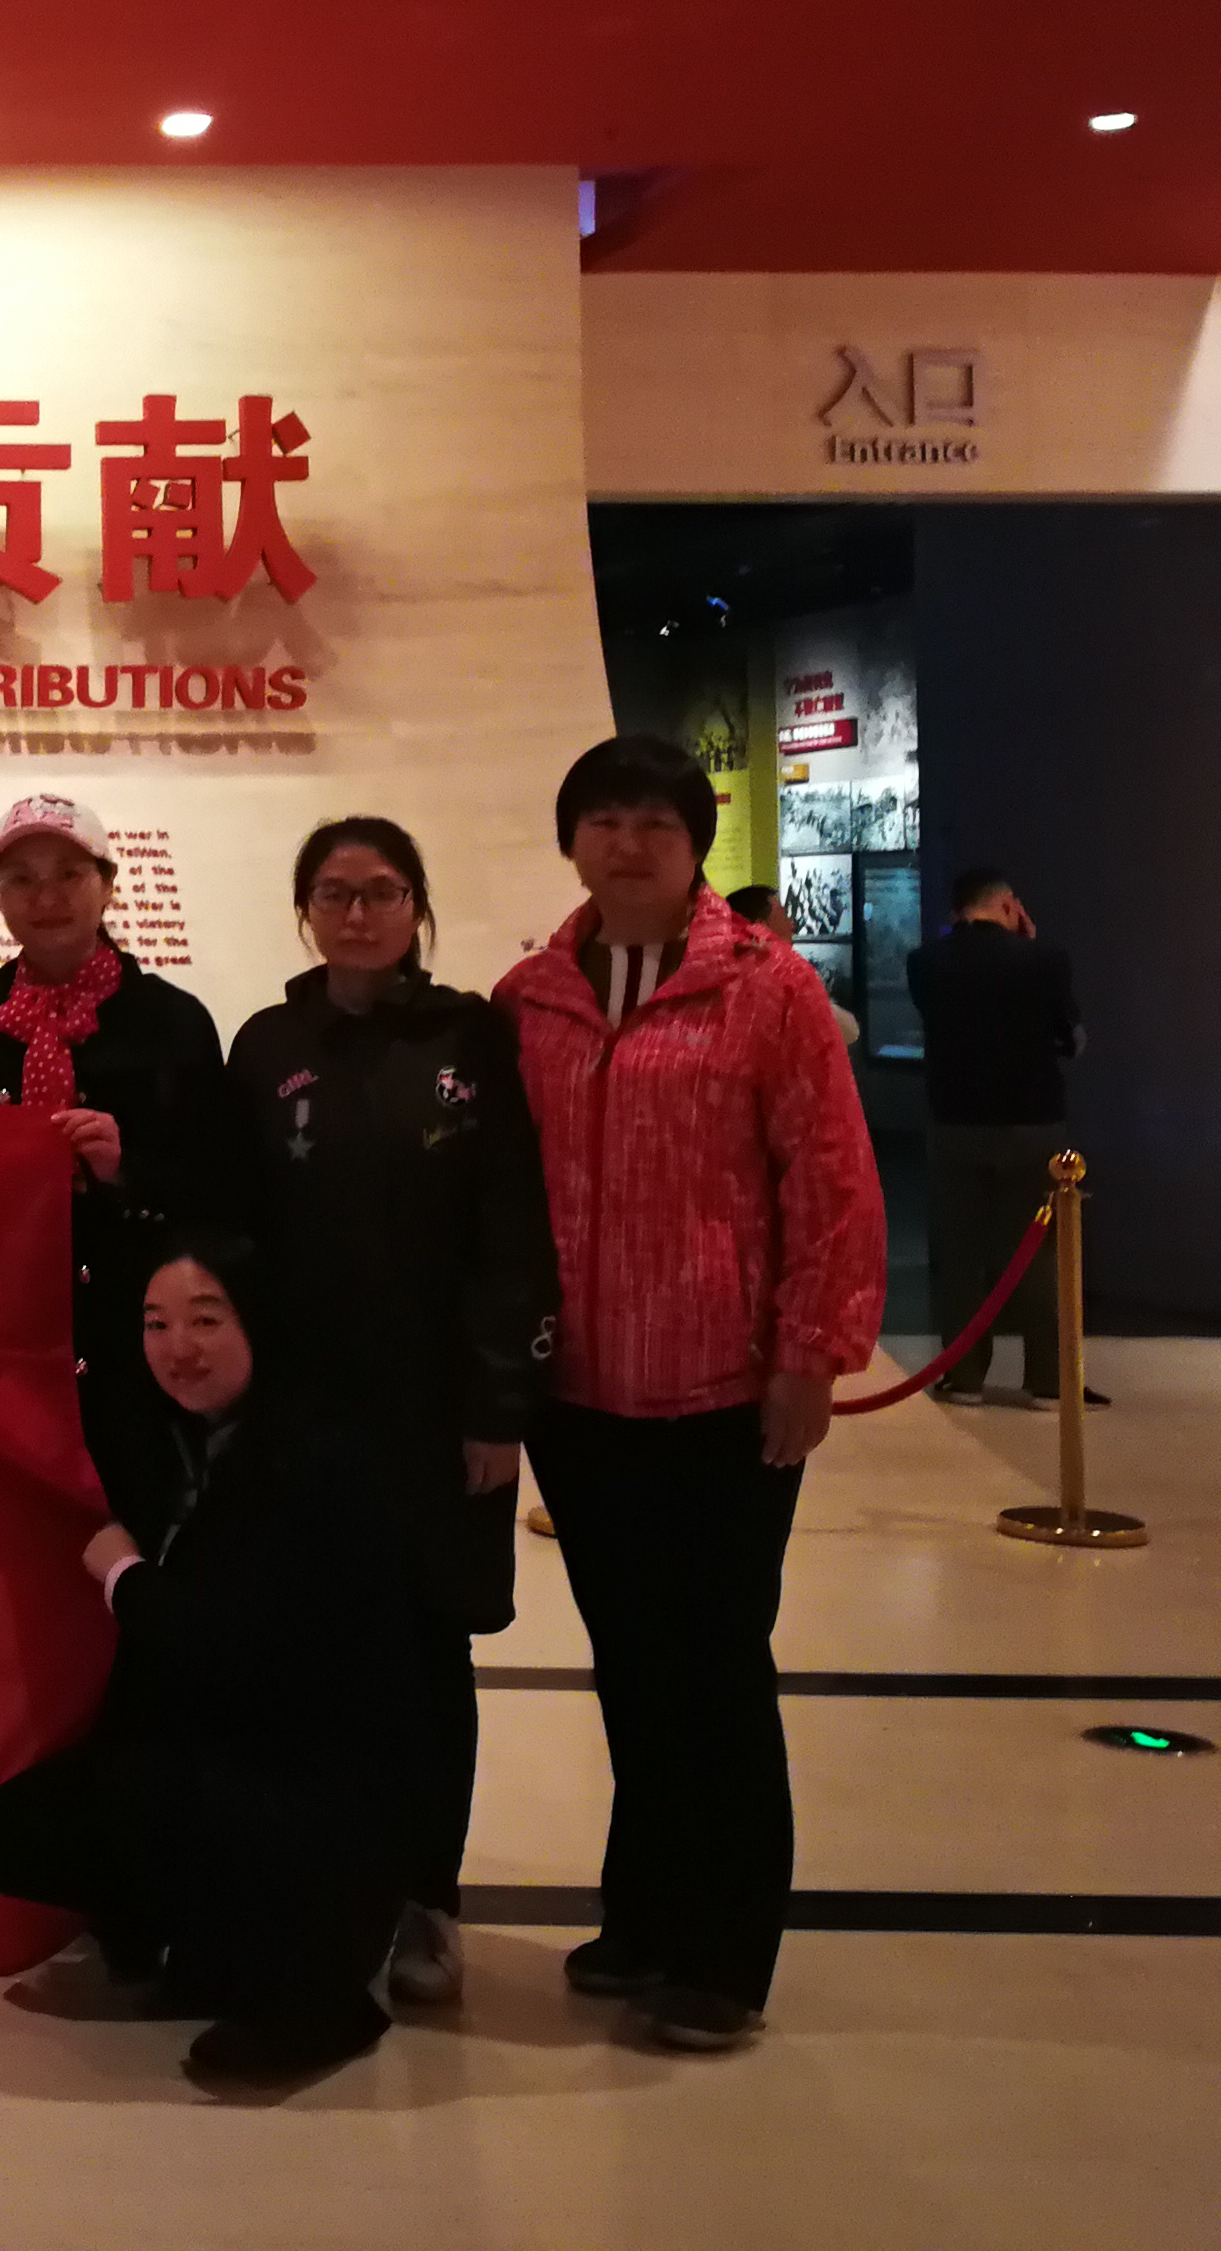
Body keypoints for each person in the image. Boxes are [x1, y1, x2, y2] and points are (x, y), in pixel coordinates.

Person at [492, 733, 884, 2053]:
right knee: (629, 1664)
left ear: (694, 844)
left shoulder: (765, 990)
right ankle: (645, 1917)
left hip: (722, 1393)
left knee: (714, 1667)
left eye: (654, 823)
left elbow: (829, 1178)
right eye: (602, 820)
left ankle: (722, 1956)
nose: (627, 845)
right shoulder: (529, 998)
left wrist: (809, 1356)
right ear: (571, 842)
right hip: (579, 1398)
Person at [225, 816, 557, 2012]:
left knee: (425, 1658)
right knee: (314, 1654)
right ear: (302, 911)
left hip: (435, 1416)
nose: (355, 913)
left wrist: (496, 1408)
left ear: (415, 905)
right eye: (332, 893)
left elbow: (511, 1233)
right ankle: (329, 1890)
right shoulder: (267, 1046)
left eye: (378, 891)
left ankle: (427, 1897)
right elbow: (238, 1230)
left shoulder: (473, 1040)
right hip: (302, 1414)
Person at [0, 1245, 411, 2090]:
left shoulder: (318, 1454)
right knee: (17, 1829)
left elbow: (234, 1649)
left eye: (206, 1319)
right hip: (237, 1762)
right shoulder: (191, 1440)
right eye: (156, 1324)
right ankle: (199, 1944)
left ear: (261, 1321)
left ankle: (316, 1995)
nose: (179, 1348)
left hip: (315, 1790)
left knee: (118, 1806)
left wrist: (124, 1577)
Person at [0, 793, 238, 1530]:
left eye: (69, 874)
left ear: (108, 884)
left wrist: (125, 1170)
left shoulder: (173, 1021)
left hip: (143, 1350)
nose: (45, 897)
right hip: (13, 1342)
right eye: (21, 879)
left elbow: (225, 1189)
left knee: (143, 1540)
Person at [906, 867, 1085, 1408]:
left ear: (957, 909)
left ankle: (964, 1377)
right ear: (1009, 905)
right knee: (1039, 1251)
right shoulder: (1045, 959)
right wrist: (1030, 944)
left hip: (955, 1123)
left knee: (960, 1254)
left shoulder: (925, 962)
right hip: (1034, 1123)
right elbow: (1071, 1037)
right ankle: (1048, 1379)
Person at [723, 884, 860, 1046]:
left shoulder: (721, 974)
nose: (792, 924)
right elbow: (847, 1030)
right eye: (783, 915)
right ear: (760, 927)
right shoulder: (782, 975)